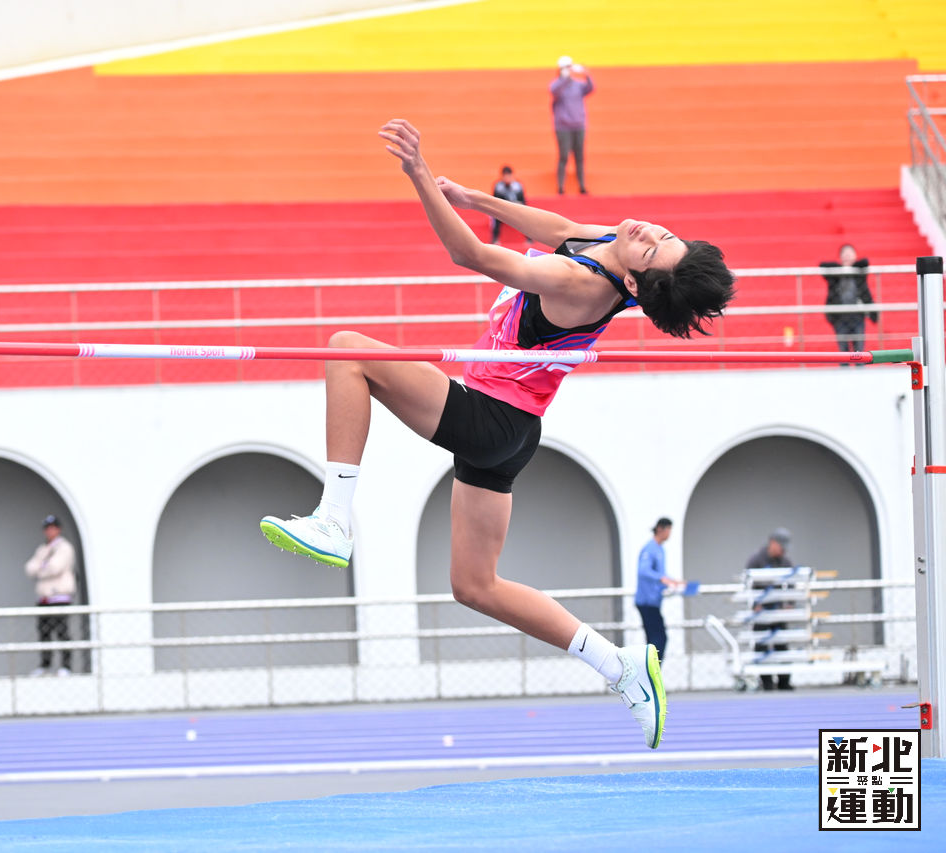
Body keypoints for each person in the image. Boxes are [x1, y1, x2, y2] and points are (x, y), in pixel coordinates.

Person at [260, 118, 735, 750]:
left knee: (347, 351)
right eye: (661, 234)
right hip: (516, 430)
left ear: (633, 283)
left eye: (652, 250)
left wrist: (419, 174)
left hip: (491, 417)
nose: (648, 233)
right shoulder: (615, 242)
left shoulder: (581, 284)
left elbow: (473, 257)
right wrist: (473, 197)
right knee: (475, 586)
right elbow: (557, 228)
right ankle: (619, 666)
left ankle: (334, 520)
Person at [24, 514, 77, 676]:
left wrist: (40, 568)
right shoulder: (42, 549)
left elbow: (55, 567)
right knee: (44, 633)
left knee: (62, 632)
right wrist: (43, 567)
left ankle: (66, 666)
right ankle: (45, 665)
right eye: (47, 528)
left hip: (59, 597)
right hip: (44, 599)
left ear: (58, 529)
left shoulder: (64, 547)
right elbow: (29, 568)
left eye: (53, 528)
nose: (49, 531)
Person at [745, 527, 794, 691]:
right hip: (762, 612)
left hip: (778, 611)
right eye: (781, 546)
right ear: (772, 543)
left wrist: (789, 603)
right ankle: (766, 682)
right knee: (761, 645)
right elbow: (749, 584)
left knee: (782, 644)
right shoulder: (757, 560)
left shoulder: (785, 562)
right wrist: (755, 605)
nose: (783, 550)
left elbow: (792, 584)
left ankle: (784, 681)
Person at [636, 518, 684, 661]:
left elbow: (661, 574)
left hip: (654, 602)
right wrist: (662, 579)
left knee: (656, 639)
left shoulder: (660, 549)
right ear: (660, 529)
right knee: (658, 638)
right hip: (647, 601)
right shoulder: (650, 548)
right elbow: (643, 571)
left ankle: (651, 669)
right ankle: (652, 669)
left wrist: (673, 581)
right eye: (668, 530)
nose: (669, 534)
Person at [819, 244, 876, 359]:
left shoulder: (859, 272)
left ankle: (859, 368)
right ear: (840, 257)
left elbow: (865, 262)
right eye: (845, 254)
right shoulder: (835, 274)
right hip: (840, 317)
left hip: (858, 316)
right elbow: (822, 265)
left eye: (850, 254)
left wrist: (850, 268)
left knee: (859, 352)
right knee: (843, 352)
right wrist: (842, 269)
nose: (847, 257)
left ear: (855, 256)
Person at [550, 56, 593, 195]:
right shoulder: (557, 85)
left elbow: (590, 88)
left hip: (579, 125)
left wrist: (587, 74)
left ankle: (582, 185)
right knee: (563, 156)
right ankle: (560, 186)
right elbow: (554, 91)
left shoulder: (577, 85)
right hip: (563, 127)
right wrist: (565, 79)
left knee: (579, 157)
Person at [490, 165, 527, 245]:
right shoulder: (498, 186)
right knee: (494, 216)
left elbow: (523, 201)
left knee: (526, 216)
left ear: (512, 176)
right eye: (505, 176)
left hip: (516, 209)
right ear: (502, 176)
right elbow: (495, 200)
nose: (507, 178)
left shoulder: (518, 186)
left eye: (509, 176)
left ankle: (529, 239)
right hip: (502, 210)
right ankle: (495, 239)